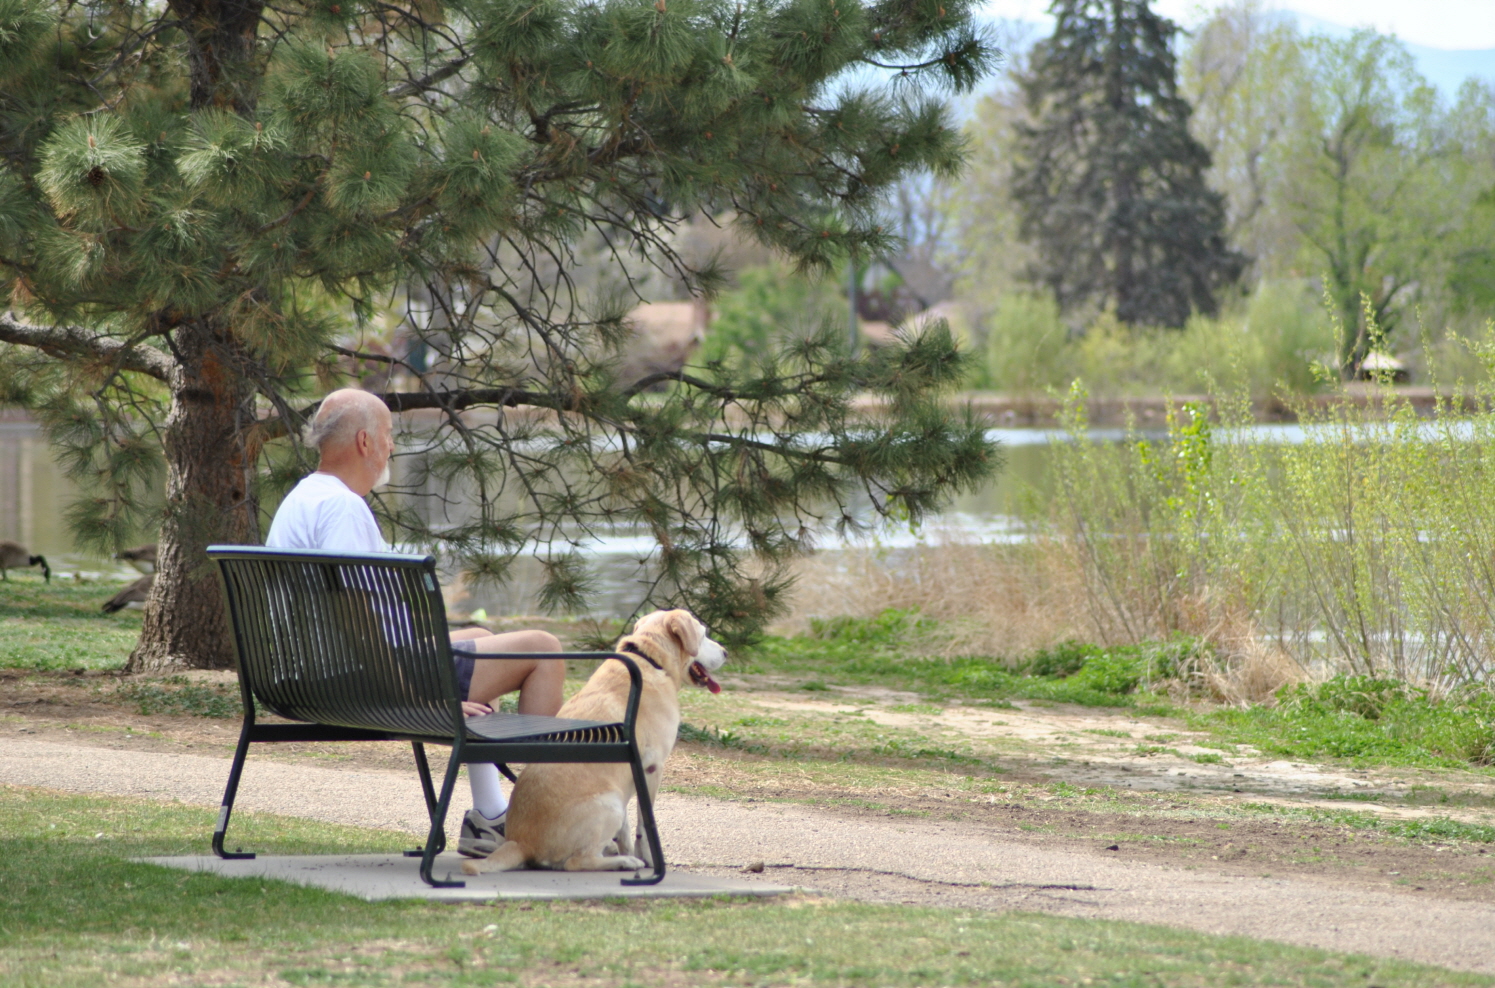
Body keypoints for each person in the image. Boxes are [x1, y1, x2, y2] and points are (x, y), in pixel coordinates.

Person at [266, 388, 562, 857]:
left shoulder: (306, 497)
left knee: (483, 637)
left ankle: (490, 816)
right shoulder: (341, 508)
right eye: (388, 435)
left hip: (317, 672)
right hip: (355, 677)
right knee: (542, 647)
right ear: (365, 442)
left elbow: (352, 619)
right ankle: (545, 813)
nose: (392, 446)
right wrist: (423, 695)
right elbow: (355, 616)